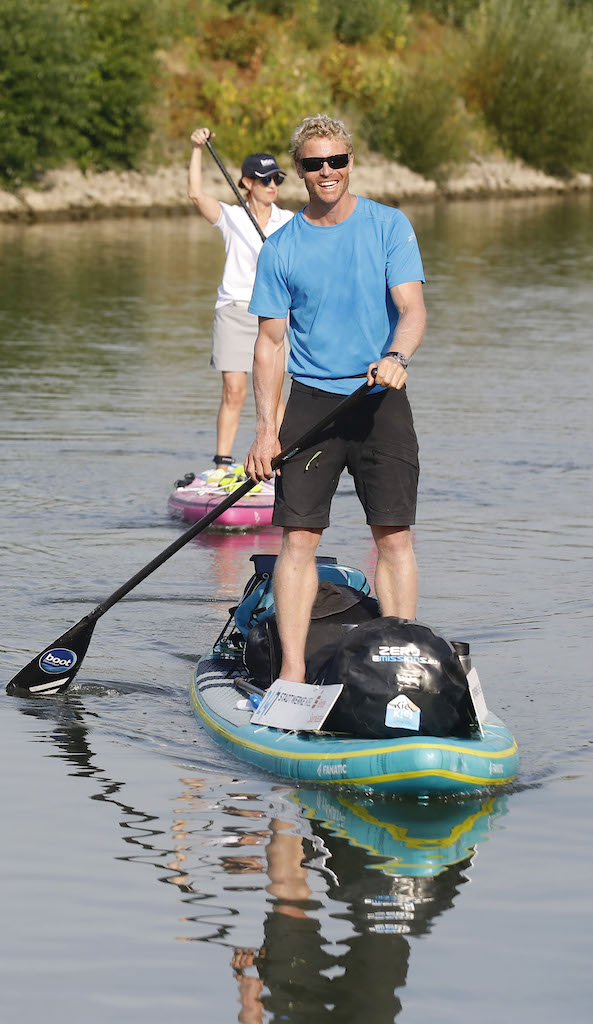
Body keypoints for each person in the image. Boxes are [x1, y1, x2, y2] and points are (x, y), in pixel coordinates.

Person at [245, 113, 427, 686]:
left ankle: (402, 667)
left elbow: (412, 309)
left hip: (379, 398)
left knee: (393, 536)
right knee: (298, 539)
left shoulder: (388, 226)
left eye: (337, 161)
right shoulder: (282, 247)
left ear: (351, 161)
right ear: (298, 171)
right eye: (314, 163)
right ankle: (293, 674)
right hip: (312, 406)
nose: (327, 172)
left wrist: (396, 357)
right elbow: (270, 344)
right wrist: (265, 431)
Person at [188, 127, 293, 472]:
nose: (273, 186)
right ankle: (222, 465)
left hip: (275, 313)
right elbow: (195, 195)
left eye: (276, 179)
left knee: (275, 395)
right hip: (235, 310)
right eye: (265, 180)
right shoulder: (232, 217)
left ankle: (276, 462)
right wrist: (197, 150)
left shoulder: (289, 222)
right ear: (247, 183)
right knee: (235, 390)